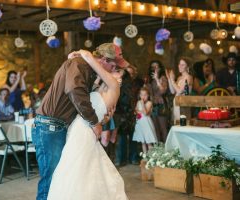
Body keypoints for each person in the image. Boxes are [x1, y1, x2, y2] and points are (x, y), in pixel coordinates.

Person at [32, 43, 128, 200]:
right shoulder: (79, 64)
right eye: (113, 65)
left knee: (62, 176)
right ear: (103, 59)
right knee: (51, 177)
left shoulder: (89, 70)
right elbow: (75, 90)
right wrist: (94, 122)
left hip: (62, 126)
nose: (114, 70)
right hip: (50, 125)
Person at [146, 60, 169, 142]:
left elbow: (163, 91)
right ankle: (158, 150)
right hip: (152, 106)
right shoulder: (149, 79)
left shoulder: (162, 78)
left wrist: (156, 79)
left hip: (161, 105)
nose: (154, 68)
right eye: (152, 67)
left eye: (156, 66)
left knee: (163, 128)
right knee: (155, 129)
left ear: (160, 68)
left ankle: (166, 150)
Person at [166, 57, 193, 124]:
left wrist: (172, 80)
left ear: (187, 67)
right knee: (176, 123)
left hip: (183, 104)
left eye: (183, 65)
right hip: (176, 103)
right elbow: (173, 91)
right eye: (179, 64)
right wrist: (169, 79)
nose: (180, 66)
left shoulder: (189, 77)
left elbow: (180, 91)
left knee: (183, 124)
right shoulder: (179, 78)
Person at [133, 87, 157, 154]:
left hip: (147, 124)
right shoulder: (138, 102)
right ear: (140, 95)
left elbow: (145, 112)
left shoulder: (149, 103)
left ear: (148, 95)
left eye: (145, 95)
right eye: (142, 95)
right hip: (140, 123)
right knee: (143, 142)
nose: (143, 96)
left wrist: (142, 104)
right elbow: (135, 111)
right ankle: (145, 156)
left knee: (148, 141)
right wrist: (138, 111)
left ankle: (151, 157)